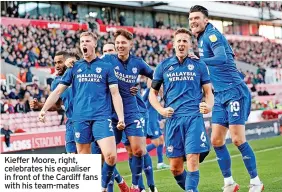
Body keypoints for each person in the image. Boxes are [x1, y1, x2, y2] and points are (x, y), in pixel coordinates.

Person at [188, 5, 264, 192]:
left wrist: (199, 59)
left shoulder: (212, 34)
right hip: (220, 94)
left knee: (238, 139)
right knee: (216, 141)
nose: (193, 22)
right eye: (190, 19)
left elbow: (221, 58)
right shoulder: (201, 37)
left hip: (234, 91)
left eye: (196, 18)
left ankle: (256, 182)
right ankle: (229, 183)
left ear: (206, 20)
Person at [38, 32, 125, 192]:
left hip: (101, 117)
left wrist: (120, 117)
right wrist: (43, 109)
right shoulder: (74, 67)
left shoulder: (106, 67)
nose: (84, 43)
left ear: (94, 44)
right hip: (80, 120)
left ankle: (103, 186)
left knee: (111, 156)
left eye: (87, 41)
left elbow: (115, 93)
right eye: (81, 41)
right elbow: (57, 91)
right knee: (85, 164)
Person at [149, 28, 214, 191]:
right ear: (174, 44)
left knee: (192, 158)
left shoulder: (199, 65)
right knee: (175, 168)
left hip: (193, 118)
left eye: (185, 41)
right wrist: (161, 110)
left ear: (190, 44)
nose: (181, 44)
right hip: (172, 120)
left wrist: (209, 105)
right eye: (179, 41)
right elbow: (153, 94)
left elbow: (208, 92)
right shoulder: (163, 66)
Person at [30, 51, 79, 154]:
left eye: (60, 62)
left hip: (87, 120)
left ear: (67, 61)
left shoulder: (80, 75)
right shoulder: (56, 82)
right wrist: (39, 106)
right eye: (55, 62)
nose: (57, 65)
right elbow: (57, 105)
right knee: (72, 156)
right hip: (71, 123)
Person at [143, 79, 170, 170]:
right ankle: (139, 154)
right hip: (150, 121)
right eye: (150, 80)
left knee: (161, 140)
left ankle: (160, 163)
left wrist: (160, 119)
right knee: (156, 142)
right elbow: (142, 102)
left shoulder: (157, 93)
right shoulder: (148, 92)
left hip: (155, 120)